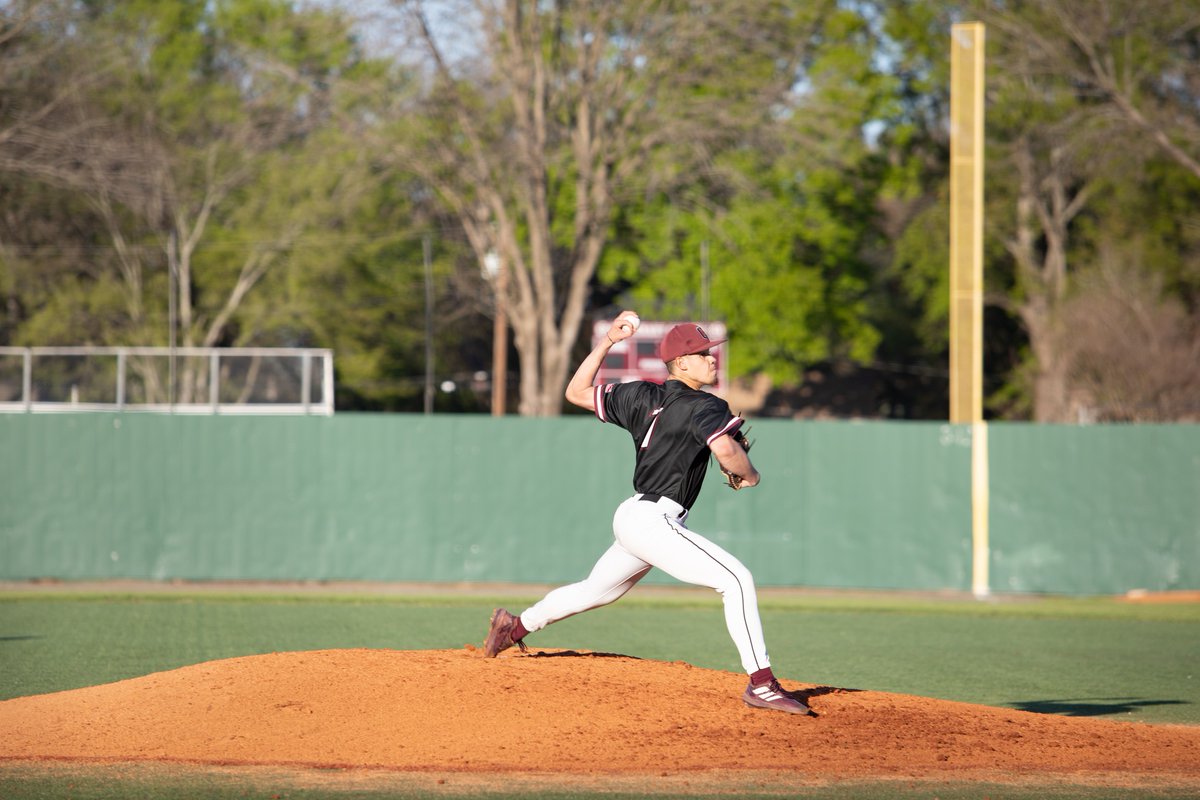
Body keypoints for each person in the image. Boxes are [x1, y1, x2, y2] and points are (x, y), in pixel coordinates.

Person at [482, 313, 811, 715]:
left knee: (595, 591)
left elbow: (576, 392)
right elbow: (725, 450)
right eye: (703, 354)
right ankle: (762, 684)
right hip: (654, 519)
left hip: (635, 516)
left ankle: (512, 627)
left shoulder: (640, 395)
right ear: (682, 363)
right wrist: (751, 473)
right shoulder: (705, 405)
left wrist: (607, 342)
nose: (712, 360)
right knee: (736, 579)